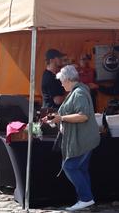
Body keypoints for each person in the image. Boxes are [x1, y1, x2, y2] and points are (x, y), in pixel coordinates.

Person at [46, 65, 100, 211]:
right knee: (81, 169)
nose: (61, 84)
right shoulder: (77, 91)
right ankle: (86, 200)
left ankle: (85, 198)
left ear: (69, 79)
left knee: (69, 166)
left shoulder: (79, 93)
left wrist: (61, 117)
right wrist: (56, 118)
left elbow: (83, 116)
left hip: (82, 139)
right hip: (83, 138)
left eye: (62, 81)